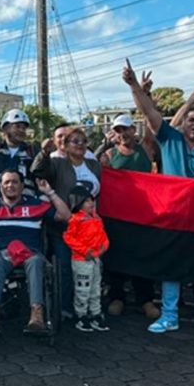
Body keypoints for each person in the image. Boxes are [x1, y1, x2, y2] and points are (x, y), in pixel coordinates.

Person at [123, 61, 194, 341]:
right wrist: (134, 85)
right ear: (183, 123)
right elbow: (148, 111)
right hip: (173, 217)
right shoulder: (170, 139)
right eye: (191, 120)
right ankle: (169, 316)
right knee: (171, 268)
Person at [0, 170, 71, 333]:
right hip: (3, 253)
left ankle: (37, 315)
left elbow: (66, 216)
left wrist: (50, 192)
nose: (10, 186)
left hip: (31, 253)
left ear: (22, 186)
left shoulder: (35, 204)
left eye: (14, 182)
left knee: (35, 262)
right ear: (0, 186)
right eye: (6, 182)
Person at [32, 128, 101, 321]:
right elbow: (37, 171)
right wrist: (43, 153)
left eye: (82, 140)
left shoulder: (94, 165)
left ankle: (88, 308)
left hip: (88, 228)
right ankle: (64, 306)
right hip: (65, 225)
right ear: (65, 145)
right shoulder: (57, 163)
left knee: (90, 269)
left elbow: (98, 194)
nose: (79, 144)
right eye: (74, 141)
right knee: (65, 267)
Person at [98, 114, 160, 320]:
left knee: (143, 255)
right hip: (117, 215)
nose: (122, 134)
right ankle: (117, 297)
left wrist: (145, 96)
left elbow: (153, 124)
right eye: (118, 130)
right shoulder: (108, 154)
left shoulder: (146, 148)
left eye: (126, 129)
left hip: (143, 214)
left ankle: (146, 299)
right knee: (116, 254)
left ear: (134, 130)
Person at [63, 185, 110, 332]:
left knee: (96, 288)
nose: (91, 203)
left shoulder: (96, 218)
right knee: (83, 289)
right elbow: (68, 237)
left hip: (95, 259)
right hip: (81, 260)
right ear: (78, 202)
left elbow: (103, 236)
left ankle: (95, 313)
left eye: (92, 200)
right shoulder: (75, 219)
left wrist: (104, 246)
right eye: (87, 201)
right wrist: (85, 251)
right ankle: (81, 315)